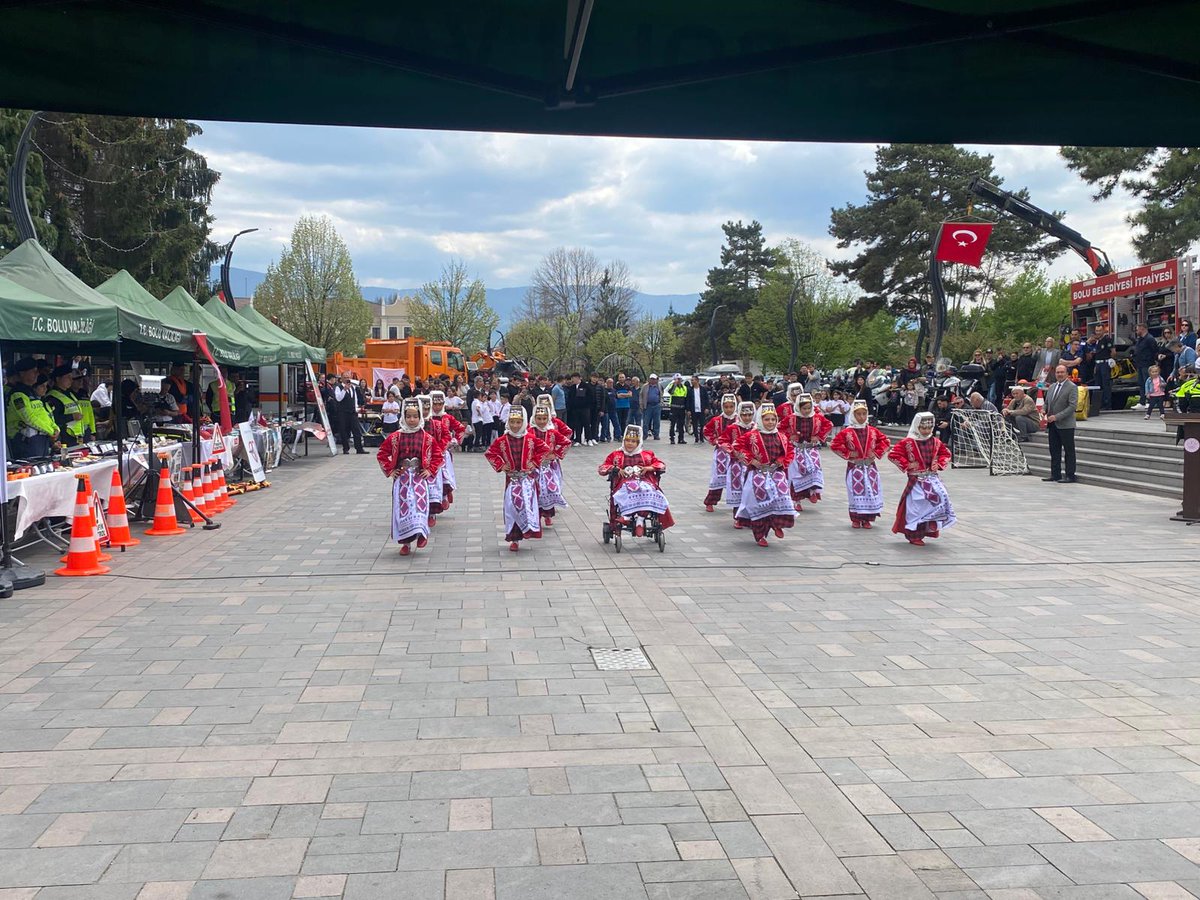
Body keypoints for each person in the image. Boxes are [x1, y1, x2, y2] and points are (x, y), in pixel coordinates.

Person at [376, 401, 443, 556]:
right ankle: (405, 543)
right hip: (402, 479)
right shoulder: (395, 437)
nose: (412, 420)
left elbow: (438, 455)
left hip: (419, 477)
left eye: (415, 416)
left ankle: (421, 534)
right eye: (408, 416)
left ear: (420, 417)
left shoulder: (427, 438)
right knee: (404, 509)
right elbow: (381, 453)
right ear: (403, 418)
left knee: (419, 506)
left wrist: (430, 470)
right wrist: (390, 470)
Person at [485, 406, 550, 552]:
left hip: (527, 478)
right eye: (512, 422)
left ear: (524, 422)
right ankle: (514, 539)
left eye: (519, 422)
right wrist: (501, 465)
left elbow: (545, 449)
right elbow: (490, 453)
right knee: (512, 506)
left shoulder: (531, 439)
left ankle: (528, 529)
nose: (515, 426)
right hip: (512, 479)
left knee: (527, 505)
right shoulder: (502, 440)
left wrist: (534, 462)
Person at [888, 411, 955, 546]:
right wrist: (907, 464)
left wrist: (939, 463)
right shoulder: (908, 442)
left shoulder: (935, 442)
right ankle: (913, 534)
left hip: (931, 479)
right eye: (923, 428)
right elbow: (893, 454)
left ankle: (925, 530)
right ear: (916, 426)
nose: (926, 431)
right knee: (916, 507)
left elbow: (946, 453)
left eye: (929, 428)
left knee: (936, 502)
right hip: (916, 481)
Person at [733, 404, 795, 547]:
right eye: (766, 419)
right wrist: (750, 460)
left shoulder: (781, 436)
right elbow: (737, 446)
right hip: (757, 473)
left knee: (782, 495)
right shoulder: (751, 435)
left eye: (773, 419)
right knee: (758, 500)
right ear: (760, 420)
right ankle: (760, 535)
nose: (770, 422)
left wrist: (781, 461)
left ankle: (776, 523)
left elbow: (789, 452)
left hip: (775, 473)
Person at [598, 424, 674, 537]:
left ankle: (640, 520)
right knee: (627, 491)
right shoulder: (616, 455)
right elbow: (602, 468)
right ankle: (627, 516)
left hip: (644, 481)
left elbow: (661, 465)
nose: (629, 443)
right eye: (627, 440)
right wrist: (615, 469)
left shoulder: (647, 455)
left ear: (638, 443)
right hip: (623, 483)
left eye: (633, 441)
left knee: (649, 491)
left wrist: (649, 468)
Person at [829, 400, 890, 528]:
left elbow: (885, 442)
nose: (862, 417)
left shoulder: (872, 431)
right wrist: (848, 454)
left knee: (871, 492)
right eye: (858, 414)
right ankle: (856, 519)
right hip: (855, 466)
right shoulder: (847, 432)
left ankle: (868, 519)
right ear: (853, 415)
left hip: (870, 466)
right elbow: (835, 445)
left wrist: (877, 452)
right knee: (856, 492)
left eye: (864, 414)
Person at [786, 393, 832, 511]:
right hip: (797, 449)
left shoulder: (817, 417)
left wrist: (819, 436)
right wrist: (790, 436)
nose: (806, 411)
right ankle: (796, 501)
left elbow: (829, 425)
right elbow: (780, 428)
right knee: (796, 475)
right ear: (798, 407)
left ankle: (812, 491)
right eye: (804, 408)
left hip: (811, 449)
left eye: (808, 408)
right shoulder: (792, 418)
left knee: (814, 469)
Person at [5, 357, 58, 457]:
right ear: (22, 373)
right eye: (33, 371)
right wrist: (50, 431)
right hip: (25, 441)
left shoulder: (31, 392)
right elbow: (29, 418)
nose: (37, 374)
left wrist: (55, 427)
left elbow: (42, 414)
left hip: (40, 439)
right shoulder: (18, 394)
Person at [531, 404, 570, 527]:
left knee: (549, 489)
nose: (541, 421)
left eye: (544, 418)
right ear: (534, 418)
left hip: (548, 467)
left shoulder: (552, 432)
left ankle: (548, 515)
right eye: (539, 418)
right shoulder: (529, 431)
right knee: (535, 491)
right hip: (534, 467)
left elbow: (566, 442)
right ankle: (536, 516)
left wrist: (556, 454)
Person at [718, 401, 757, 523]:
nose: (747, 418)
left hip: (752, 466)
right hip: (737, 465)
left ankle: (752, 517)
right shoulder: (732, 428)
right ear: (739, 414)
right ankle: (737, 517)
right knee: (737, 490)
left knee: (751, 491)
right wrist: (732, 451)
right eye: (744, 415)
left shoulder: (757, 428)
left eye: (750, 415)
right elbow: (722, 441)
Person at [429, 390, 466, 511]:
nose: (437, 407)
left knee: (445, 477)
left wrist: (454, 441)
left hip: (444, 453)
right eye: (434, 404)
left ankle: (444, 496)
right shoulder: (424, 419)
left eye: (440, 404)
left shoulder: (448, 418)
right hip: (428, 454)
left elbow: (460, 429)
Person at [702, 394, 739, 511]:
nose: (729, 409)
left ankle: (738, 504)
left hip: (737, 454)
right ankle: (710, 501)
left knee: (737, 479)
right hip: (721, 454)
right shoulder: (716, 420)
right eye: (726, 407)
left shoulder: (740, 420)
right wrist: (715, 440)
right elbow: (706, 430)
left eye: (731, 406)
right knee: (717, 478)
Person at [1043, 364, 1078, 483]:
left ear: (1067, 373)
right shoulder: (1052, 386)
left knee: (1069, 451)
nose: (1059, 374)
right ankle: (1055, 474)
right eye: (1058, 372)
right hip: (1052, 425)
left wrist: (1057, 417)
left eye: (1062, 372)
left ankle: (1070, 475)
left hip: (1066, 424)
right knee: (1054, 450)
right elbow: (1047, 402)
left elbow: (1072, 406)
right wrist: (1044, 409)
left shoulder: (1072, 387)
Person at [44, 364, 86, 446]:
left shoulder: (70, 393)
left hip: (77, 435)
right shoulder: (52, 397)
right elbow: (53, 419)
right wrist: (72, 416)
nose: (71, 380)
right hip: (64, 437)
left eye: (71, 377)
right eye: (68, 377)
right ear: (58, 379)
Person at [332, 376, 365, 454]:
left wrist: (356, 408)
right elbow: (338, 398)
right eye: (345, 377)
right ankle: (345, 448)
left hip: (352, 412)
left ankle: (359, 448)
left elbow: (355, 399)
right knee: (344, 430)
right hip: (343, 413)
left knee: (356, 430)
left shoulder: (352, 387)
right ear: (342, 379)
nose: (347, 378)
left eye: (348, 377)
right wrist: (344, 389)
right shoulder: (338, 388)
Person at [1131, 323, 1158, 409]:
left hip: (1147, 364)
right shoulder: (1140, 339)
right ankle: (1142, 402)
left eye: (1137, 329)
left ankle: (1150, 401)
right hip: (1140, 364)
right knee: (1141, 383)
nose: (1136, 331)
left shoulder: (1150, 339)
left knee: (1148, 383)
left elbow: (1154, 351)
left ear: (1143, 329)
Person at [567, 373, 593, 446]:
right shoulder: (572, 387)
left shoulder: (586, 386)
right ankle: (578, 439)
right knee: (577, 425)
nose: (573, 380)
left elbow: (590, 397)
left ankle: (589, 439)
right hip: (575, 409)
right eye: (572, 378)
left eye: (574, 378)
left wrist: (586, 404)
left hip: (585, 409)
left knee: (586, 424)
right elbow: (570, 398)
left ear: (579, 378)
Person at [667, 374, 689, 444]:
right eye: (677, 379)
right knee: (672, 424)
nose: (679, 380)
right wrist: (675, 384)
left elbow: (685, 398)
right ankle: (672, 438)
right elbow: (671, 392)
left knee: (681, 424)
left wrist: (686, 408)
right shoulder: (672, 386)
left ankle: (681, 438)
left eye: (679, 379)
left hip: (681, 408)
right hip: (674, 408)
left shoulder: (684, 387)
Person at [687, 375, 709, 443]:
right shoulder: (690, 390)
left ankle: (702, 437)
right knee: (694, 424)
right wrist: (688, 410)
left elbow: (706, 399)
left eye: (693, 380)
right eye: (691, 380)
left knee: (702, 424)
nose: (692, 381)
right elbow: (688, 400)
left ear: (697, 380)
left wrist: (707, 408)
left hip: (701, 409)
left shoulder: (703, 389)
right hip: (693, 409)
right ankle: (696, 437)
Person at [640, 374, 662, 440]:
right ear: (649, 379)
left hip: (656, 405)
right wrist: (641, 404)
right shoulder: (645, 386)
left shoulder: (659, 386)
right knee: (646, 421)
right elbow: (641, 395)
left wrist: (661, 403)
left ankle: (656, 435)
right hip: (648, 405)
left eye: (654, 379)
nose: (652, 380)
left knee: (657, 421)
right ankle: (645, 435)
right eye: (651, 379)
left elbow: (661, 394)